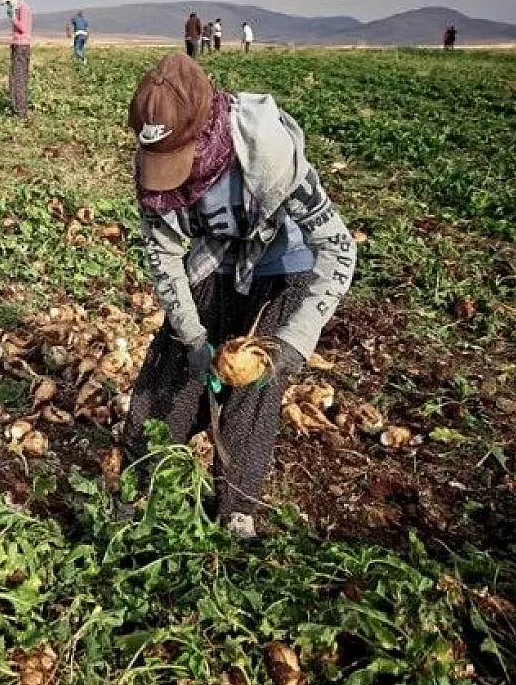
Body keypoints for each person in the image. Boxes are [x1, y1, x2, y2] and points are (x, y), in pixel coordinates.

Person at [121, 53, 356, 540]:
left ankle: (236, 508)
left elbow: (338, 247)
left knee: (260, 376)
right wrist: (190, 335)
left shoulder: (265, 149)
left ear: (204, 129)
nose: (172, 176)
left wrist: (294, 342)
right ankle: (141, 478)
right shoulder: (154, 154)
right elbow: (164, 253)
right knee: (175, 366)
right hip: (218, 256)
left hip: (283, 261)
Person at [1, 0, 33, 119]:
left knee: (18, 79)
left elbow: (23, 28)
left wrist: (13, 17)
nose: (8, 5)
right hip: (17, 45)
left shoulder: (23, 8)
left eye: (8, 2)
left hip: (21, 46)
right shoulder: (19, 8)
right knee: (14, 78)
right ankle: (18, 109)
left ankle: (20, 112)